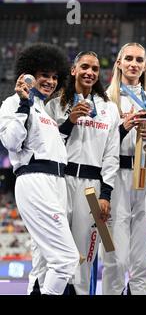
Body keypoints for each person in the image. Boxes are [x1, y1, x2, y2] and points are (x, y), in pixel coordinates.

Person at [0, 43, 79, 295]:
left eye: (55, 77)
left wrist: (68, 124)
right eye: (44, 75)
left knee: (50, 261)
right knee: (66, 259)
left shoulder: (43, 108)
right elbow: (11, 141)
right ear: (29, 74)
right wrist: (23, 104)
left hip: (56, 181)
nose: (51, 81)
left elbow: (51, 146)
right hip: (35, 179)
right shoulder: (13, 102)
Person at [45, 51, 120, 295]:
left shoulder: (109, 110)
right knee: (55, 250)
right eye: (85, 67)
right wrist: (68, 122)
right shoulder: (55, 104)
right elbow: (45, 146)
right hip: (60, 180)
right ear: (74, 70)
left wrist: (106, 194)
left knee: (85, 253)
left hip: (91, 187)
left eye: (95, 69)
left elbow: (111, 155)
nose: (90, 72)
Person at [102, 42, 146, 295]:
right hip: (117, 178)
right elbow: (99, 148)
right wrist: (123, 127)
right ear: (118, 63)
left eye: (139, 60)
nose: (133, 64)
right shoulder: (106, 100)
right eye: (128, 58)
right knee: (115, 262)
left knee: (142, 264)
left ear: (145, 66)